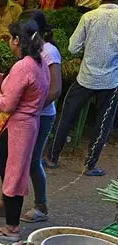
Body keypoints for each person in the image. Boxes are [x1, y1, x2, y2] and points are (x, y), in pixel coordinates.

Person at [0, 20, 50, 242]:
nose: (10, 44)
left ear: (17, 40)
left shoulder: (23, 66)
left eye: (11, 39)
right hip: (25, 126)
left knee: (12, 175)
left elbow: (7, 104)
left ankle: (12, 229)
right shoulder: (40, 63)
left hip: (15, 128)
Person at [0, 11, 62, 223]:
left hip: (39, 116)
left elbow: (55, 89)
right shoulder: (31, 55)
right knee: (12, 162)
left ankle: (40, 206)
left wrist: (29, 108)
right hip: (26, 116)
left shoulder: (47, 52)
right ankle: (7, 204)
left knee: (30, 162)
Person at [45, 0, 118, 177]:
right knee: (103, 124)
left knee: (67, 116)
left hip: (85, 77)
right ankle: (90, 165)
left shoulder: (89, 17)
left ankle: (52, 158)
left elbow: (72, 47)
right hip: (111, 81)